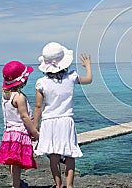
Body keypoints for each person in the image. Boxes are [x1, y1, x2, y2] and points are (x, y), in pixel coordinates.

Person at [34, 42, 92, 188]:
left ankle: (58, 185)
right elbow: (89, 79)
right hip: (66, 121)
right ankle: (70, 185)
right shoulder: (72, 77)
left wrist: (35, 127)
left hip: (49, 122)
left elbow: (38, 106)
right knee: (69, 154)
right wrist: (88, 66)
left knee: (53, 157)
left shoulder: (41, 83)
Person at [0, 61, 39, 188]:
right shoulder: (19, 97)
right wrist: (34, 132)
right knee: (17, 162)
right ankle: (16, 185)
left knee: (11, 160)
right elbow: (24, 117)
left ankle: (17, 182)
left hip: (9, 132)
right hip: (19, 133)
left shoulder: (5, 95)